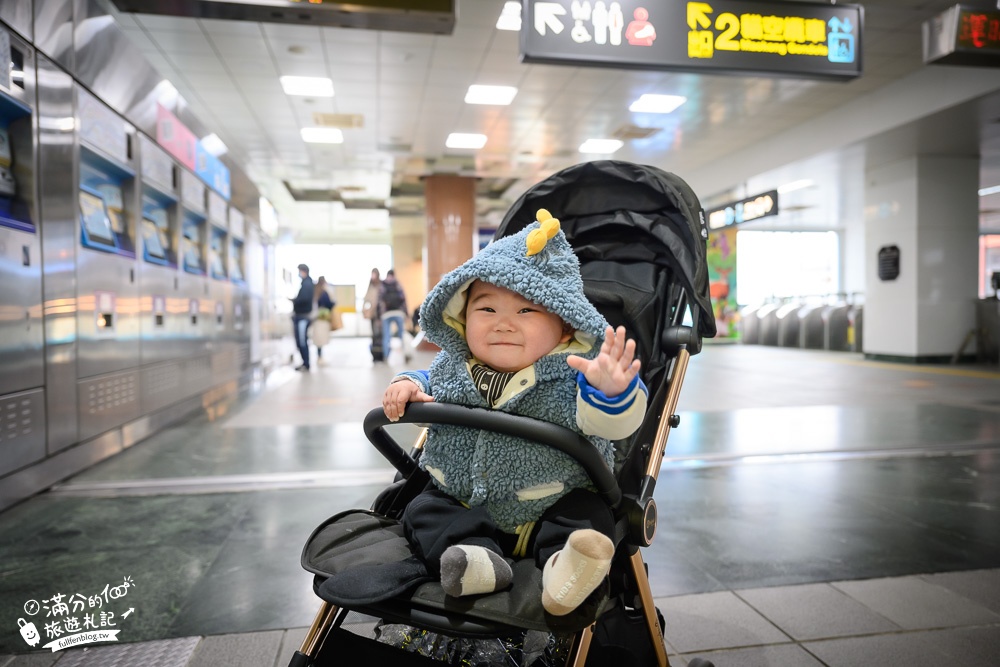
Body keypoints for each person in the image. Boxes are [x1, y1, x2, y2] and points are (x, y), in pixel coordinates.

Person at [382, 209, 647, 616]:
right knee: (423, 508)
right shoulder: (454, 366)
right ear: (461, 319)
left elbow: (611, 425)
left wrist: (612, 391)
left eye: (526, 311)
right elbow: (428, 382)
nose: (503, 324)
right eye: (486, 310)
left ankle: (566, 571)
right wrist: (408, 386)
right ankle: (475, 561)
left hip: (549, 502)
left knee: (589, 516)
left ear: (564, 327)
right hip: (463, 502)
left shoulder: (576, 375)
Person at [378, 269, 411, 362]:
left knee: (387, 336)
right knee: (401, 335)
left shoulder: (383, 285)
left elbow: (380, 300)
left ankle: (386, 356)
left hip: (386, 314)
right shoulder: (397, 284)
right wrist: (407, 314)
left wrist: (380, 315)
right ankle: (405, 354)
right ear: (394, 275)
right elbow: (403, 299)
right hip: (398, 313)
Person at [290, 263, 314, 371]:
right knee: (301, 340)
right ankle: (305, 362)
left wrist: (294, 300)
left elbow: (304, 299)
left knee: (302, 341)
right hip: (301, 317)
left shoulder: (307, 284)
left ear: (303, 271)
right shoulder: (305, 283)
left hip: (302, 317)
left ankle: (306, 363)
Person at [313, 276, 335, 365]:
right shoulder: (324, 292)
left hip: (316, 318)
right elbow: (329, 304)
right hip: (323, 318)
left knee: (318, 339)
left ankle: (319, 356)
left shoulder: (315, 291)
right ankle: (320, 357)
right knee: (321, 339)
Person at [362, 268, 383, 362]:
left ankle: (382, 354)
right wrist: (364, 309)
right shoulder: (370, 286)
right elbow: (366, 298)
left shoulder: (382, 285)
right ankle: (375, 354)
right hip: (373, 314)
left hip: (381, 314)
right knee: (375, 334)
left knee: (380, 334)